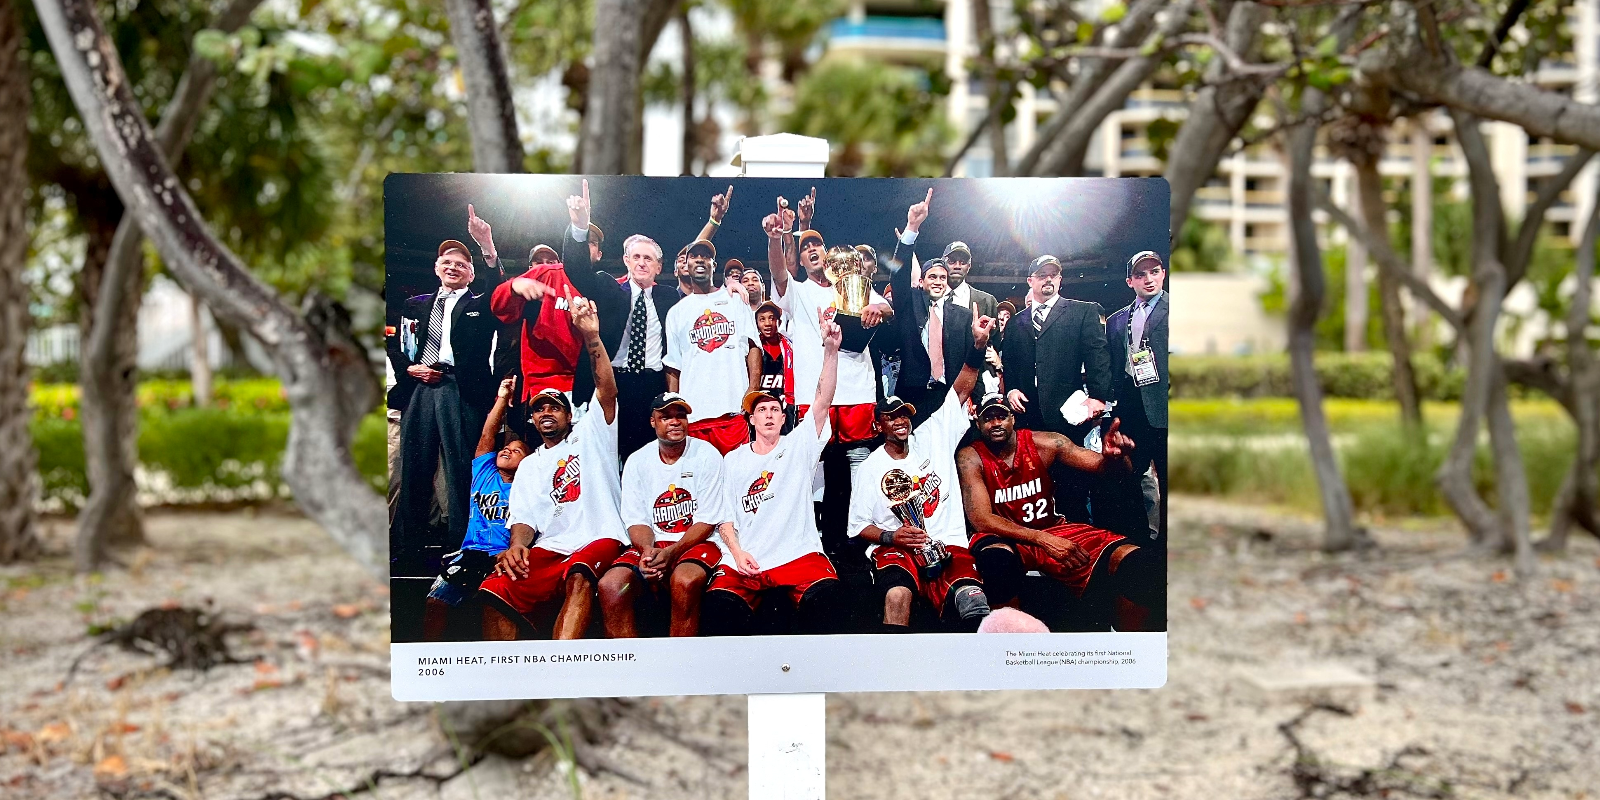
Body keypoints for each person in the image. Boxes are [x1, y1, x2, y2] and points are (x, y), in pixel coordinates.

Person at [479, 291, 628, 640]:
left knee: (579, 573)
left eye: (554, 407)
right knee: (495, 587)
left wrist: (591, 336)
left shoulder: (593, 435)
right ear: (531, 419)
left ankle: (562, 671)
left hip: (600, 537)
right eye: (539, 409)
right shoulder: (530, 465)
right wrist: (517, 545)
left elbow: (606, 389)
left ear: (569, 414)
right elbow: (524, 519)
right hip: (552, 546)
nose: (546, 412)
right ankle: (503, 684)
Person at [956, 395, 1163, 631]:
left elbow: (1105, 469)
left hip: (1050, 526)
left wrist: (1117, 458)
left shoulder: (1047, 442)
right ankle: (1006, 651)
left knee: (1139, 562)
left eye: (1001, 416)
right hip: (1005, 535)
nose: (995, 423)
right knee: (996, 562)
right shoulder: (970, 457)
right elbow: (981, 519)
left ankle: (1127, 648)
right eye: (988, 418)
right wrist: (1044, 540)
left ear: (1013, 418)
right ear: (978, 423)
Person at [700, 309, 848, 636]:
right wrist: (737, 554)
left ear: (784, 419)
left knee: (828, 603)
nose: (768, 415)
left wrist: (830, 351)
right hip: (746, 556)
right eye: (761, 410)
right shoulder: (733, 460)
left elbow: (822, 399)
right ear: (750, 420)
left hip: (797, 554)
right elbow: (724, 517)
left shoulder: (798, 446)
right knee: (717, 610)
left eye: (774, 410)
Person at [850, 308, 995, 633]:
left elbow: (960, 390)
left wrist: (978, 345)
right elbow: (858, 527)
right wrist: (891, 535)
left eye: (904, 414)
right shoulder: (870, 468)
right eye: (891, 416)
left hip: (948, 541)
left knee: (973, 599)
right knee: (898, 596)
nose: (900, 420)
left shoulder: (932, 435)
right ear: (878, 425)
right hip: (897, 549)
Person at [767, 187, 893, 564]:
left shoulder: (855, 285)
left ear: (827, 253)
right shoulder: (798, 292)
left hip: (856, 391)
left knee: (856, 471)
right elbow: (777, 269)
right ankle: (813, 539)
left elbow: (887, 310)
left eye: (816, 244)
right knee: (816, 472)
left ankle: (855, 539)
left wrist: (876, 314)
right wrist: (777, 238)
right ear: (801, 261)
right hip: (816, 391)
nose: (811, 250)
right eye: (804, 248)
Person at [388, 240, 504, 573]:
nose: (453, 267)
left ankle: (462, 543)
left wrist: (488, 252)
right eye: (447, 262)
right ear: (437, 267)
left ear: (470, 274)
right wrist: (410, 369)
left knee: (461, 469)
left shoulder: (479, 305)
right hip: (419, 388)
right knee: (414, 467)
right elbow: (396, 346)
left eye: (461, 265)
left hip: (459, 389)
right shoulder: (414, 305)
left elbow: (497, 290)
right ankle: (409, 545)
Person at [551, 180, 684, 462]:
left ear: (659, 266)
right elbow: (576, 269)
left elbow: (700, 292)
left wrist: (733, 288)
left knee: (649, 458)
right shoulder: (608, 288)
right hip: (612, 382)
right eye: (636, 257)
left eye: (648, 258)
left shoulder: (670, 298)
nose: (642, 263)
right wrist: (579, 227)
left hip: (653, 387)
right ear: (626, 260)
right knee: (607, 459)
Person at [600, 392, 731, 637]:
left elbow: (707, 520)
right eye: (666, 416)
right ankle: (628, 667)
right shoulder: (637, 460)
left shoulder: (707, 454)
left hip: (697, 541)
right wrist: (648, 552)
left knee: (685, 580)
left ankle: (679, 664)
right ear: (653, 421)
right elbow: (636, 520)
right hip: (655, 543)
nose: (674, 421)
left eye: (680, 415)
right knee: (612, 585)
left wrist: (672, 552)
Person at [422, 376, 528, 641]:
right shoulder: (484, 475)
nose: (507, 450)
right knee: (436, 602)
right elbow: (487, 435)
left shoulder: (528, 487)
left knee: (492, 607)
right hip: (470, 554)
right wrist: (503, 397)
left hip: (502, 557)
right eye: (506, 447)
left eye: (517, 451)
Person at [665, 238, 761, 454]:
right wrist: (675, 407)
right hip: (695, 414)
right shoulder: (676, 312)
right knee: (700, 484)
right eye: (694, 256)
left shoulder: (735, 300)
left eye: (706, 256)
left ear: (714, 265)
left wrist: (752, 390)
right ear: (685, 265)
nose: (700, 260)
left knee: (736, 482)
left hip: (732, 411)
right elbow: (673, 366)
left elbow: (753, 346)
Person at [1000, 254, 1112, 438]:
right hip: (1027, 412)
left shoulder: (1082, 312)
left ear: (1060, 279)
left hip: (1068, 410)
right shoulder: (1016, 321)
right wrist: (1011, 390)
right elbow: (1010, 363)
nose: (1048, 279)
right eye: (1042, 275)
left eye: (1053, 274)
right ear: (1030, 280)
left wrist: (1098, 396)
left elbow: (1097, 357)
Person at [1107, 250, 1169, 542]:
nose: (1149, 279)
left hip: (1167, 409)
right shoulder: (1117, 320)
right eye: (1141, 274)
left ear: (1163, 274)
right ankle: (1140, 543)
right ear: (1130, 281)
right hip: (1132, 410)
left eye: (1154, 272)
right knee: (1130, 478)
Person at [939, 240, 998, 320]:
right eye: (951, 261)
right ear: (943, 263)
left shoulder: (988, 302)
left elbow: (995, 332)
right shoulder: (928, 298)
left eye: (963, 262)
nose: (957, 266)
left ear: (969, 266)